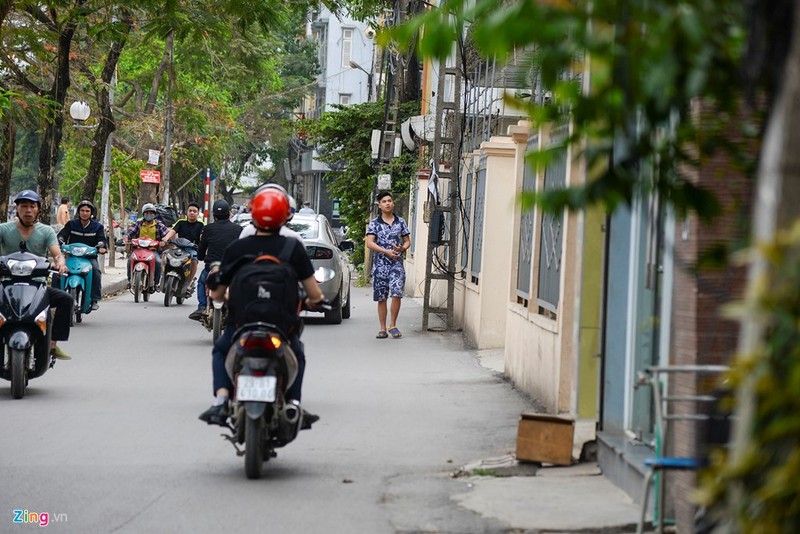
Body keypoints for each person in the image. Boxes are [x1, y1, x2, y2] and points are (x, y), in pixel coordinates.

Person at [199, 188, 324, 428]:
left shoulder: (238, 248)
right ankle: (293, 404)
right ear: (286, 216)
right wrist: (314, 302)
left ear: (253, 214)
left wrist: (228, 295)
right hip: (281, 325)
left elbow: (216, 293)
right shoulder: (292, 247)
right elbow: (314, 293)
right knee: (297, 354)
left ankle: (222, 400)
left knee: (221, 350)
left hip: (242, 324)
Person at [0, 190, 74, 360]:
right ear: (16, 209)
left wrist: (60, 263)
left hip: (37, 285)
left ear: (38, 209)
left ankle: (53, 344)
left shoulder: (46, 231)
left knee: (66, 300)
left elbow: (57, 254)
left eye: (32, 206)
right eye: (23, 206)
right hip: (7, 284)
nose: (28, 210)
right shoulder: (4, 229)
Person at [365, 191, 411, 339]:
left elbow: (407, 241)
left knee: (397, 292)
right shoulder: (374, 223)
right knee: (381, 297)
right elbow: (369, 243)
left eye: (389, 201)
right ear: (380, 205)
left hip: (396, 263)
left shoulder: (400, 222)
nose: (387, 203)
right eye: (384, 201)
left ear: (393, 203)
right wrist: (385, 251)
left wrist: (402, 248)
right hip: (380, 265)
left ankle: (393, 325)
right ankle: (382, 328)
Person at [189, 200, 242, 320]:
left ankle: (202, 306)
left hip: (212, 265)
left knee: (202, 282)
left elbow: (202, 248)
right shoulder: (238, 229)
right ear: (229, 214)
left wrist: (201, 257)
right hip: (231, 266)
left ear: (214, 215)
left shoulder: (208, 229)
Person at [57, 199, 107, 310]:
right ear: (78, 212)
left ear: (91, 213)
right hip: (72, 256)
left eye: (87, 211)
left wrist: (102, 246)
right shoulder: (71, 224)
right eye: (82, 210)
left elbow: (102, 240)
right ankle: (55, 297)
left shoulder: (98, 227)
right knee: (58, 271)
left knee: (96, 271)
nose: (85, 213)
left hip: (89, 258)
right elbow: (62, 234)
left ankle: (94, 299)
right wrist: (60, 240)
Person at [122, 203, 170, 291]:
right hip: (138, 249)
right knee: (130, 260)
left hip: (153, 250)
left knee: (158, 262)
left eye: (151, 213)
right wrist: (126, 238)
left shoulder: (159, 225)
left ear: (154, 214)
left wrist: (164, 241)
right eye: (147, 213)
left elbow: (167, 235)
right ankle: (129, 281)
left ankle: (156, 283)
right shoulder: (138, 223)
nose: (149, 215)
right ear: (143, 214)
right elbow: (129, 232)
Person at [163, 201, 204, 293]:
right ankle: (163, 277)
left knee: (194, 260)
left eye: (194, 211)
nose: (192, 213)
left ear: (197, 213)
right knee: (165, 254)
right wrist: (166, 238)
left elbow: (203, 236)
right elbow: (173, 231)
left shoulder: (201, 225)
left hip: (192, 249)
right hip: (178, 248)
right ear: (187, 212)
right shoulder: (181, 222)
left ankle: (188, 283)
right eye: (190, 211)